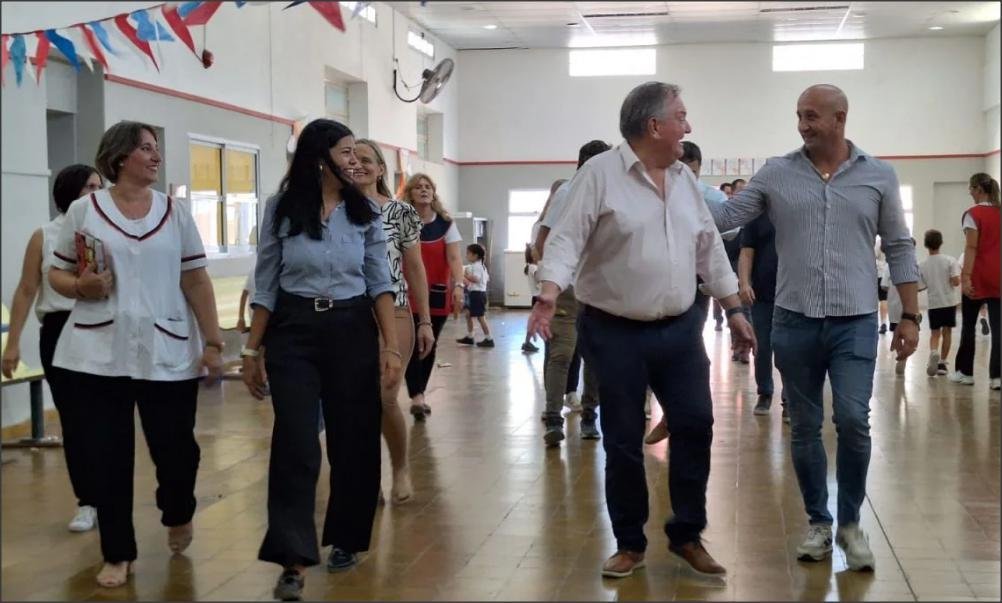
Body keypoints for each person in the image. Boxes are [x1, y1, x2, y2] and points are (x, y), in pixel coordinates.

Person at [531, 81, 755, 578]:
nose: (689, 126)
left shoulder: (683, 180)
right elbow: (565, 240)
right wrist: (548, 292)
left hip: (679, 330)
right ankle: (630, 542)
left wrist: (734, 310)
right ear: (654, 126)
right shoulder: (599, 175)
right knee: (623, 439)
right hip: (614, 332)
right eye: (681, 116)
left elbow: (708, 249)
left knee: (695, 424)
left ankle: (687, 534)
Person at [708, 84, 920, 571]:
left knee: (852, 419)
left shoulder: (878, 175)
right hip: (794, 319)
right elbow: (724, 217)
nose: (802, 125)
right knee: (803, 426)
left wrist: (909, 314)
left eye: (812, 116)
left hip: (855, 321)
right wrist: (676, 180)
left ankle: (850, 523)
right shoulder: (777, 173)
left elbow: (901, 247)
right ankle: (819, 524)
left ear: (840, 118)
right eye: (799, 116)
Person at [47, 122, 225, 588]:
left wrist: (213, 342)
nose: (155, 156)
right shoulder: (85, 211)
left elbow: (196, 280)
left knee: (178, 452)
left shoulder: (176, 212)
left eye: (156, 149)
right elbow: (58, 275)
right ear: (121, 156)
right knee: (106, 455)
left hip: (167, 348)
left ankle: (178, 510)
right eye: (146, 148)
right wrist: (79, 286)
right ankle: (118, 552)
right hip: (96, 351)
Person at [241, 119, 398, 600]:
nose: (355, 161)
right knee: (295, 438)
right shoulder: (281, 210)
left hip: (351, 328)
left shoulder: (366, 213)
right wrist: (252, 348)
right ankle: (292, 558)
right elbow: (266, 282)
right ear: (320, 158)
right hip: (294, 331)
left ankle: (347, 538)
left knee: (353, 436)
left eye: (356, 153)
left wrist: (390, 347)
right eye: (346, 152)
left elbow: (380, 283)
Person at [2, 164, 104, 532]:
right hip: (60, 329)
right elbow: (27, 289)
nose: (96, 193)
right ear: (69, 194)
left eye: (99, 186)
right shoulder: (44, 235)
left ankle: (110, 495)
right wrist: (12, 344)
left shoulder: (109, 230)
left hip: (101, 326)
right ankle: (87, 500)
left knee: (106, 417)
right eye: (88, 187)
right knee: (75, 420)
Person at [353, 138, 436, 504]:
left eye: (367, 160)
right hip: (349, 313)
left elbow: (415, 267)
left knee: (385, 394)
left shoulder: (400, 212)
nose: (359, 166)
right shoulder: (336, 209)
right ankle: (367, 476)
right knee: (356, 399)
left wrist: (425, 320)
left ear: (382, 169)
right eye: (351, 159)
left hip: (397, 309)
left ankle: (400, 468)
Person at [533, 141, 611, 445]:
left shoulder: (609, 193)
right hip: (566, 289)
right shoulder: (567, 193)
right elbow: (543, 240)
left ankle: (590, 414)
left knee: (593, 355)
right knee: (562, 353)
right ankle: (553, 418)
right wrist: (553, 279)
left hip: (599, 289)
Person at [402, 173, 465, 421]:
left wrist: (458, 285)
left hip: (437, 294)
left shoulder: (446, 224)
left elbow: (454, 258)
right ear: (410, 193)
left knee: (429, 343)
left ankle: (420, 392)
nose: (424, 190)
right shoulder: (401, 221)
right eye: (418, 187)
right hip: (407, 294)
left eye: (428, 186)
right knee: (409, 344)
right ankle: (417, 396)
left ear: (434, 193)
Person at [949, 173, 1000, 390]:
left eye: (971, 188)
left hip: (978, 276)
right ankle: (997, 378)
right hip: (999, 276)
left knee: (968, 326)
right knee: (998, 329)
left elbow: (971, 247)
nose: (969, 192)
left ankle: (965, 372)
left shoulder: (972, 214)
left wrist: (966, 276)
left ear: (979, 188)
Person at [738, 213, 787, 420]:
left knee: (789, 349)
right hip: (762, 294)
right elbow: (746, 253)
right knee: (762, 347)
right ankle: (764, 393)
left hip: (793, 296)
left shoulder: (796, 211)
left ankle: (790, 399)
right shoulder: (756, 216)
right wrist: (744, 283)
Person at [918, 229, 960, 377]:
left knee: (935, 334)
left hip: (934, 303)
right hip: (949, 302)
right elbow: (956, 282)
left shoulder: (922, 264)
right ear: (940, 243)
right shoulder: (950, 260)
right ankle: (942, 363)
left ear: (926, 245)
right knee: (947, 332)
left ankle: (934, 352)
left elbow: (921, 287)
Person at [457, 243, 494, 347]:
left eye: (468, 253)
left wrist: (465, 274)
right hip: (475, 293)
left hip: (478, 295)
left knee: (480, 317)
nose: (466, 255)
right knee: (468, 314)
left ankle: (489, 338)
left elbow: (476, 279)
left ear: (475, 255)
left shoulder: (477, 266)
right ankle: (470, 336)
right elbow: (485, 279)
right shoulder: (480, 266)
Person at [236, 264, 255, 332]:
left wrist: (241, 318)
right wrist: (241, 319)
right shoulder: (253, 272)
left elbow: (244, 295)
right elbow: (244, 294)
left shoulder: (253, 271)